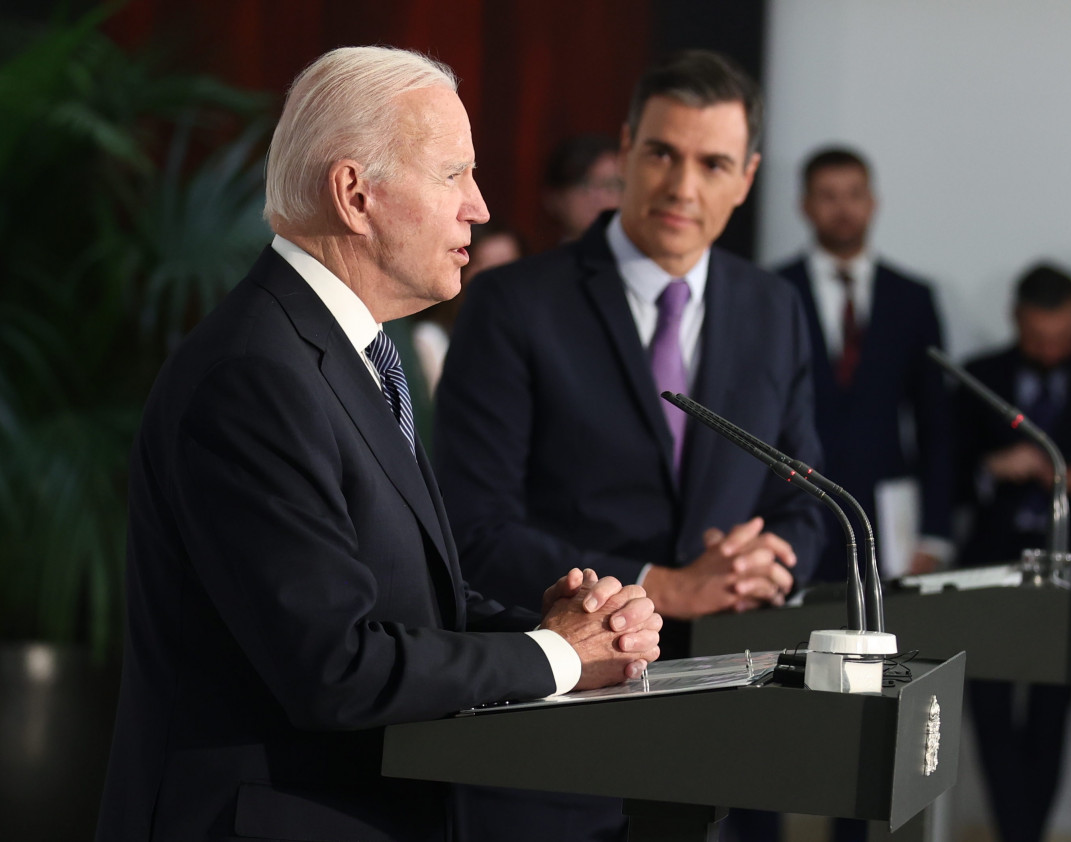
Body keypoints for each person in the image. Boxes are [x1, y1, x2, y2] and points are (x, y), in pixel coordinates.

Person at [94, 46, 662, 842]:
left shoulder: (343, 354)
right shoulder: (254, 375)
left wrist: (557, 627)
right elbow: (334, 665)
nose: (480, 206)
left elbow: (400, 599)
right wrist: (556, 657)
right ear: (355, 195)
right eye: (452, 174)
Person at [435, 50, 823, 842]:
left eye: (712, 163)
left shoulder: (773, 307)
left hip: (731, 726)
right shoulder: (513, 304)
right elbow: (471, 527)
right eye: (661, 154)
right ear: (626, 149)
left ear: (745, 178)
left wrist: (776, 554)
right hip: (557, 728)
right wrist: (663, 587)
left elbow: (808, 499)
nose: (683, 187)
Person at [955, 263, 1071, 842]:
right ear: (1016, 319)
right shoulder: (981, 376)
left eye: (1061, 338)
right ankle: (1021, 832)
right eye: (1037, 339)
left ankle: (1022, 833)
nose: (1050, 350)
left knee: (1052, 711)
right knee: (988, 705)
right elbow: (946, 468)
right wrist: (991, 467)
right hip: (991, 564)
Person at [776, 146, 953, 583]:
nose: (843, 208)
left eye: (854, 194)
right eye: (828, 195)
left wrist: (935, 532)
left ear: (872, 202)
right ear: (805, 205)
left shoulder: (912, 297)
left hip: (887, 510)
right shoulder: (773, 291)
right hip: (793, 501)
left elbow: (937, 421)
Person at [410, 222, 524, 397]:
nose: (497, 279)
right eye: (484, 265)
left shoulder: (528, 338)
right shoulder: (430, 339)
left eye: (507, 267)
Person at [542, 133, 622, 243]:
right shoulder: (533, 258)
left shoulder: (646, 259)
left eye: (612, 185)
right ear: (554, 198)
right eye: (584, 184)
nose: (599, 198)